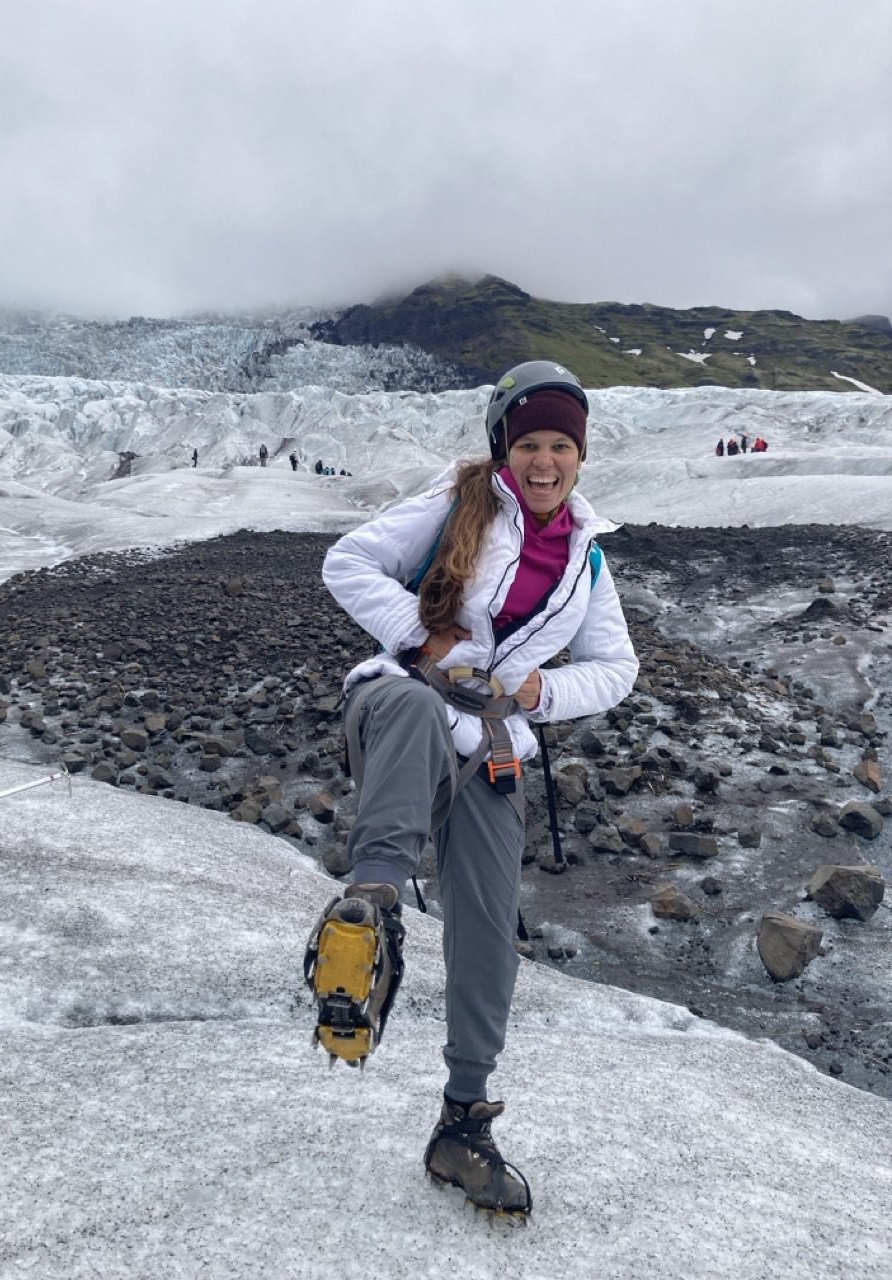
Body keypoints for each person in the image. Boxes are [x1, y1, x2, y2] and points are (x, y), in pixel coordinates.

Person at [304, 361, 639, 1217]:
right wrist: (429, 635)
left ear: (579, 455)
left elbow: (617, 669)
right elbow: (347, 563)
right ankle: (370, 906)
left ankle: (463, 1122)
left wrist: (541, 693)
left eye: (561, 445)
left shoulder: (587, 560)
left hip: (492, 739)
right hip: (396, 696)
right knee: (416, 705)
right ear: (504, 446)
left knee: (489, 930)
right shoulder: (459, 507)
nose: (544, 460)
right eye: (529, 442)